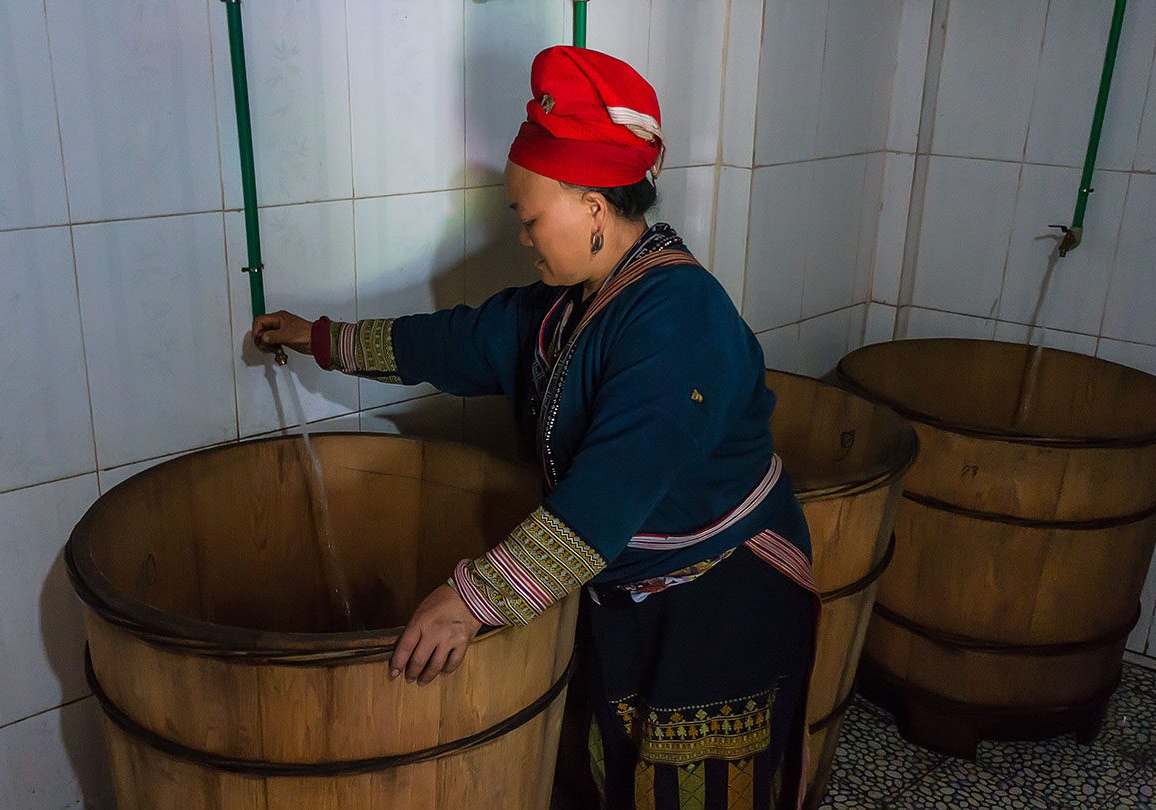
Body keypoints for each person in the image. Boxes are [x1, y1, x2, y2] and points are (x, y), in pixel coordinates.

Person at [252, 45, 817, 810]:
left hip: (721, 598)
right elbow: (445, 342)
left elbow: (606, 497)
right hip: (633, 589)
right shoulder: (566, 306)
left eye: (529, 216)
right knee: (615, 769)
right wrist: (315, 337)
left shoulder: (680, 318)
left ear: (590, 205)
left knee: (703, 789)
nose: (521, 236)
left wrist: (467, 600)